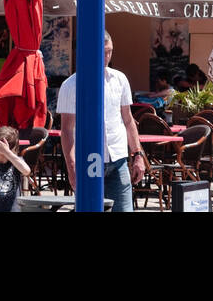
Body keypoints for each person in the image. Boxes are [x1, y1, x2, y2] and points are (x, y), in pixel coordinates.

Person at [57, 31, 146, 211]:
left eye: (110, 52)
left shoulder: (119, 79)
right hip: (88, 160)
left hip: (118, 157)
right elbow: (67, 130)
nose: (106, 57)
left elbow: (128, 120)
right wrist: (71, 165)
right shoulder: (70, 85)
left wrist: (138, 155)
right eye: (102, 52)